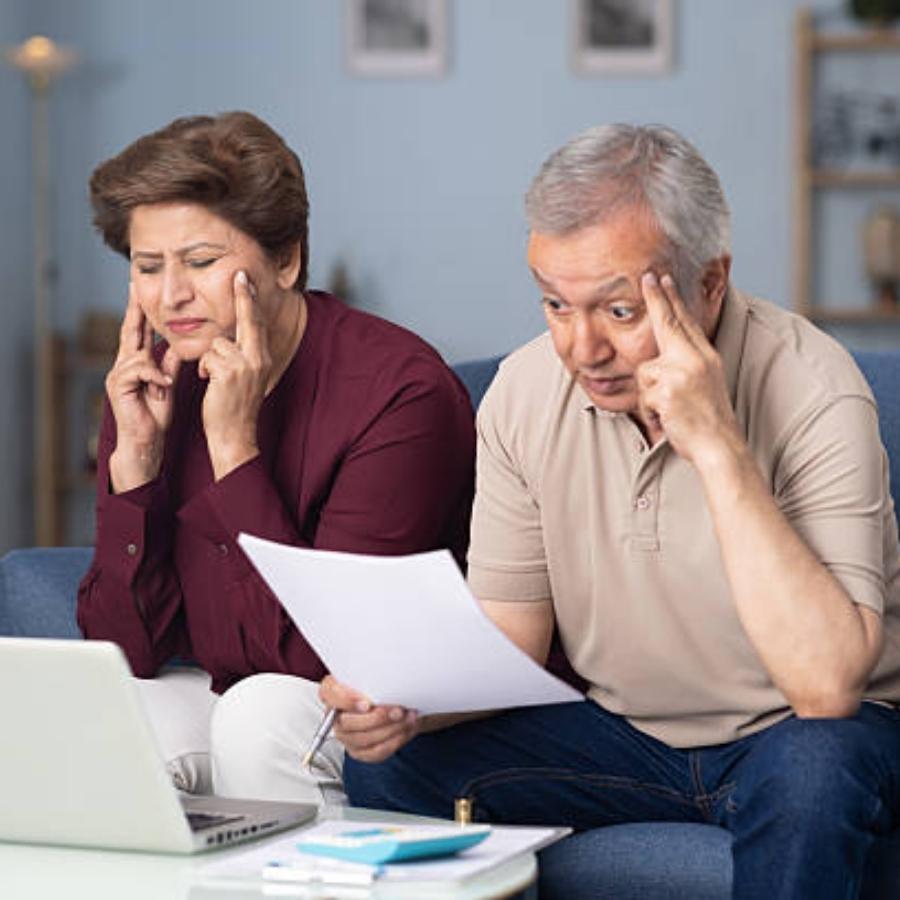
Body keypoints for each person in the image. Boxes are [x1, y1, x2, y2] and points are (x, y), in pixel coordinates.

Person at [323, 124, 900, 899]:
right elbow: (515, 637)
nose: (581, 348)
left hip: (806, 733)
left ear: (710, 283)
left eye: (620, 311)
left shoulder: (813, 387)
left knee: (815, 768)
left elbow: (826, 688)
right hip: (630, 739)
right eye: (557, 305)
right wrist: (406, 705)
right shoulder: (522, 396)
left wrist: (720, 450)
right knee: (387, 769)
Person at [77, 111, 475, 806]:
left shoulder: (401, 392)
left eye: (201, 262)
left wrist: (235, 450)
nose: (171, 296)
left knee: (258, 717)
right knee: (98, 724)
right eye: (147, 267)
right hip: (223, 684)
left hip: (375, 707)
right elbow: (126, 652)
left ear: (286, 260)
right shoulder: (148, 381)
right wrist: (132, 469)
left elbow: (328, 658)